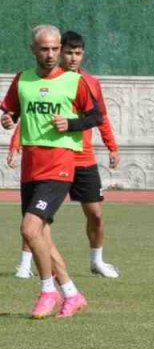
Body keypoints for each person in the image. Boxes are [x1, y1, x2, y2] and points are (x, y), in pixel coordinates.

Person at [1, 24, 104, 319]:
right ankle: (72, 294)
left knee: (29, 229)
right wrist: (8, 119)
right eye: (44, 49)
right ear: (33, 49)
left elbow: (96, 115)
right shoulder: (22, 80)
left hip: (59, 165)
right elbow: (12, 111)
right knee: (42, 236)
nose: (51, 54)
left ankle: (48, 290)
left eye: (55, 48)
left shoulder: (74, 82)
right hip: (31, 167)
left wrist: (71, 124)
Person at [10, 30, 121, 279]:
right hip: (52, 160)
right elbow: (28, 117)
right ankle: (26, 264)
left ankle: (96, 262)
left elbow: (99, 117)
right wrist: (15, 144)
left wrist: (112, 146)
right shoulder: (37, 80)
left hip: (83, 158)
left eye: (77, 53)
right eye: (68, 52)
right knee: (37, 218)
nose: (72, 58)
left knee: (95, 213)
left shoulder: (87, 83)